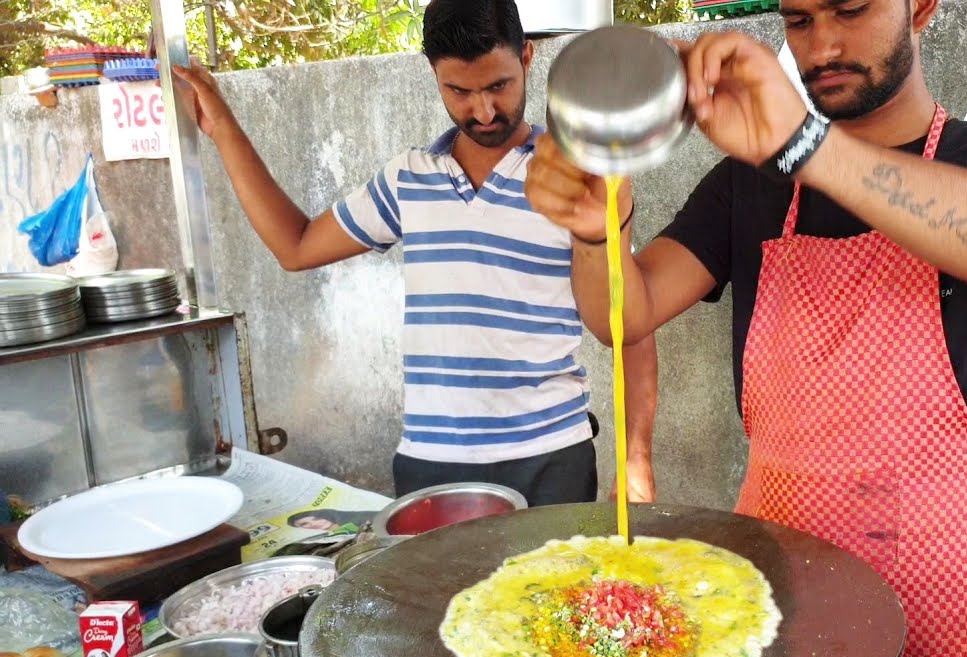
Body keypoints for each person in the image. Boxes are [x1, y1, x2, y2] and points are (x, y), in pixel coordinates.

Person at [525, 0, 967, 657]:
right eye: (798, 21)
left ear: (921, 7)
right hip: (783, 585)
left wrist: (810, 149)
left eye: (850, 10)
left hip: (954, 597)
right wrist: (595, 233)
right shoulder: (746, 186)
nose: (822, 44)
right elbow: (625, 314)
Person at [173, 0, 658, 506]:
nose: (484, 111)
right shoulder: (409, 179)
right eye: (459, 91)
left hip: (552, 458)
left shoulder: (577, 179)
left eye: (498, 86)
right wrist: (222, 129)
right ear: (432, 73)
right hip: (432, 463)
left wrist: (636, 454)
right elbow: (294, 246)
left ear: (527, 57)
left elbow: (633, 326)